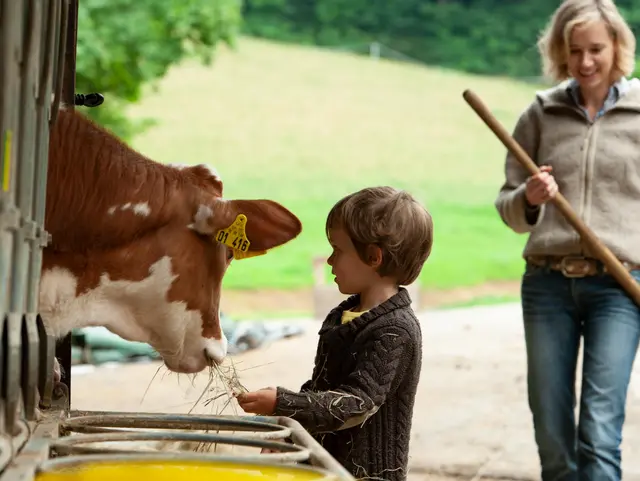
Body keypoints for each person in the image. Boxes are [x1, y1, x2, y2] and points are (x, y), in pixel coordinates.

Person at [495, 0, 640, 479]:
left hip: (619, 287)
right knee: (553, 437)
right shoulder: (540, 114)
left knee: (599, 433)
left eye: (596, 49)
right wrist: (531, 197)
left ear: (617, 46)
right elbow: (508, 208)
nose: (585, 62)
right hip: (547, 287)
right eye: (574, 50)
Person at [236, 186, 433, 481]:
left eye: (338, 250)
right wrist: (289, 433)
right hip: (325, 469)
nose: (329, 261)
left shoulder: (394, 331)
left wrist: (284, 403)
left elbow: (355, 405)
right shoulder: (343, 317)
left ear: (373, 257)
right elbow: (321, 389)